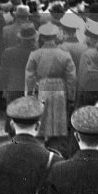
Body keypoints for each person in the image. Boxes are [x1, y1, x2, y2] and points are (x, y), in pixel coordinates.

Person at [25, 23, 76, 155]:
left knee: (42, 120)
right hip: (60, 89)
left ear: (41, 37)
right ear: (55, 37)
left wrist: (29, 95)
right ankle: (57, 153)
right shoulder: (64, 55)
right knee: (58, 122)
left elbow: (29, 77)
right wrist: (71, 97)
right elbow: (71, 78)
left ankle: (42, 151)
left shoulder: (35, 54)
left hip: (42, 88)